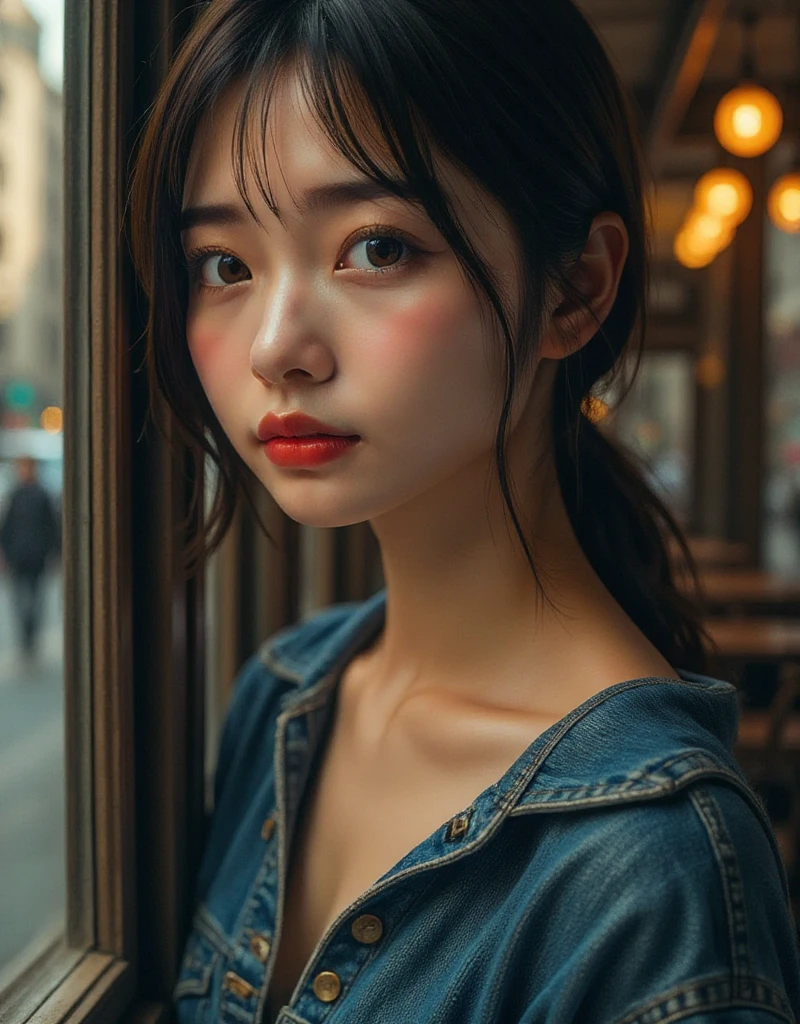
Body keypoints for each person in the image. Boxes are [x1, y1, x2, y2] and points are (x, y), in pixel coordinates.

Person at [128, 1, 800, 1021]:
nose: (276, 347)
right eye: (225, 264)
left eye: (375, 248)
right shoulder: (281, 699)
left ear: (574, 289)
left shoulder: (648, 871)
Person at [0, 455, 59, 659]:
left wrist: (52, 553)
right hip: (18, 555)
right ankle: (25, 634)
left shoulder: (42, 495)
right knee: (19, 598)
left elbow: (52, 528)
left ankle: (31, 633)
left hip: (36, 555)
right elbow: (6, 528)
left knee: (34, 598)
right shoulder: (15, 495)